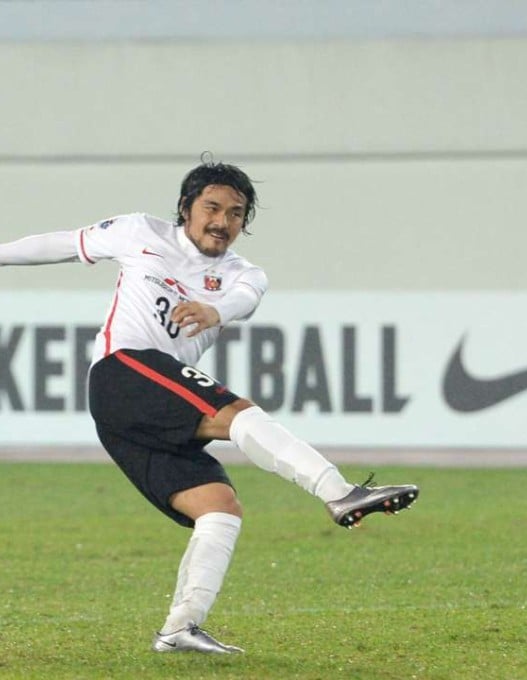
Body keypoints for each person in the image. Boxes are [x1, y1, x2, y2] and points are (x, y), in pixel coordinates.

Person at [0, 157, 420, 654]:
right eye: (212, 207)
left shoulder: (245, 274)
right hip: (124, 370)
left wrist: (212, 310)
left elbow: (245, 300)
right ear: (185, 208)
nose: (223, 221)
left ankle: (180, 627)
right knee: (237, 414)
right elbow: (63, 244)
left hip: (136, 414)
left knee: (219, 507)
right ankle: (337, 490)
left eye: (237, 213)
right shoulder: (139, 232)